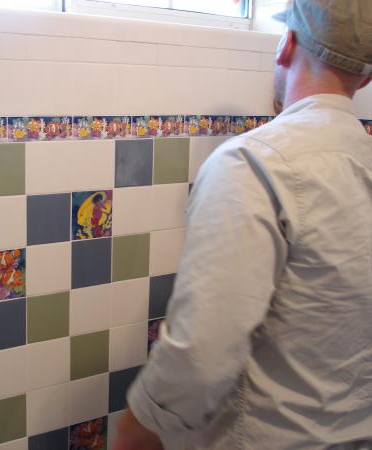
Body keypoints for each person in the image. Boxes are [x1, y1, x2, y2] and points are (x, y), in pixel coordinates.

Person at [113, 1, 372, 449]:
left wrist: (136, 430)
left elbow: (201, 356)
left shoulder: (252, 164)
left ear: (285, 45)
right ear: (365, 77)